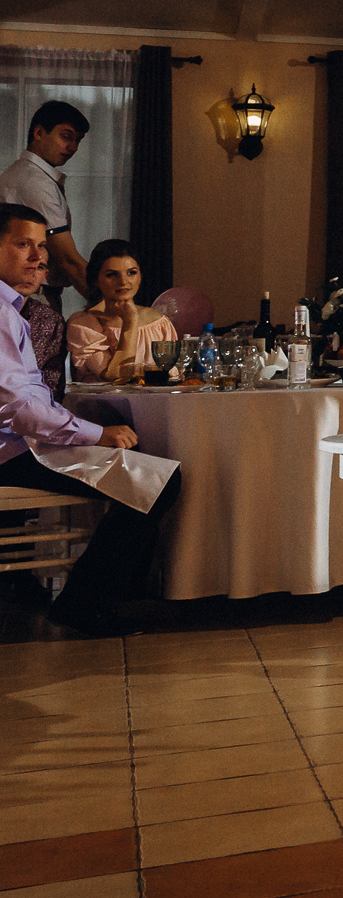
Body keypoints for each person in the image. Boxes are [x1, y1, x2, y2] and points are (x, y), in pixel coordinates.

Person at [0, 204, 181, 637]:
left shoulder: (12, 310)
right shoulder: (5, 314)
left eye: (42, 246)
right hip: (12, 450)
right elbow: (18, 409)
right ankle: (86, 603)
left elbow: (29, 397)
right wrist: (98, 432)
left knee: (145, 467)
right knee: (158, 481)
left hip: (22, 442)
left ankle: (105, 596)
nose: (39, 258)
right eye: (23, 244)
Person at [0, 101, 93, 309]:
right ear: (39, 133)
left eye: (78, 140)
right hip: (31, 297)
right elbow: (67, 259)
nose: (73, 147)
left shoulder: (25, 174)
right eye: (66, 137)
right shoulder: (34, 181)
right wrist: (112, 305)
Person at [67, 239, 179, 381]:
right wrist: (130, 322)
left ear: (140, 277)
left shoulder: (158, 321)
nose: (123, 281)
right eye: (111, 274)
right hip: (104, 403)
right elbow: (116, 376)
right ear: (96, 279)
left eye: (131, 273)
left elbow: (172, 376)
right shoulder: (83, 325)